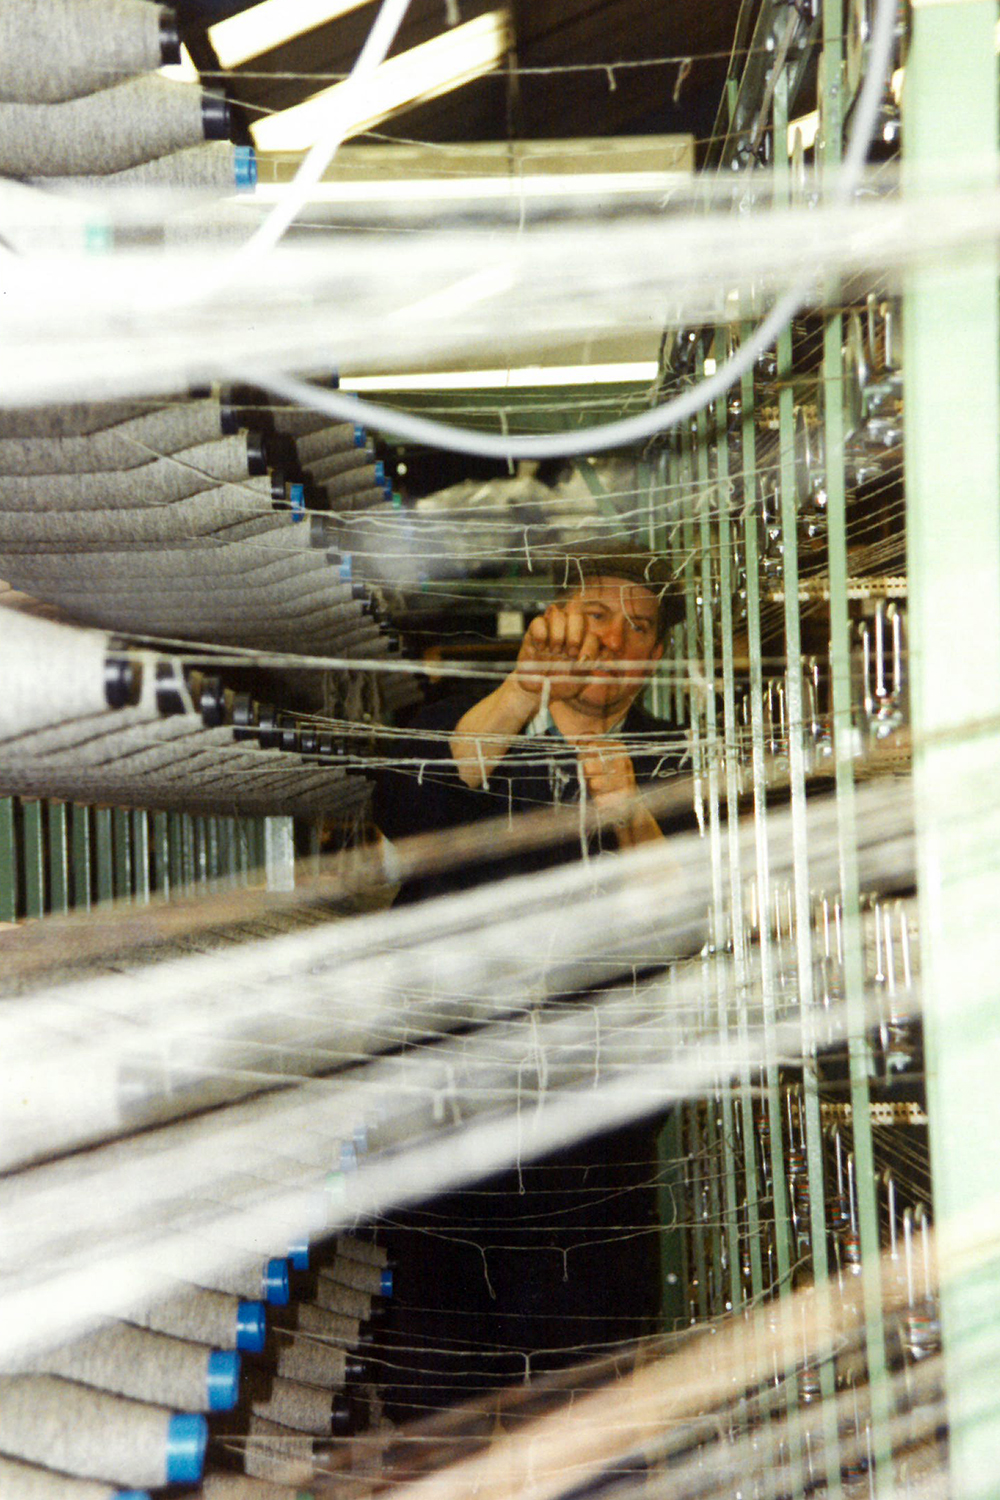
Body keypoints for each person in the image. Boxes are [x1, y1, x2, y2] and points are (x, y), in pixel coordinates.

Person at [372, 547, 685, 1422]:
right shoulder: (468, 725)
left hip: (598, 1149)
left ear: (655, 657)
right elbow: (407, 813)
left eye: (640, 626)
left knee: (589, 1414)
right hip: (448, 1133)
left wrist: (627, 811)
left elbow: (689, 914)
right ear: (553, 623)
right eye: (596, 614)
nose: (615, 638)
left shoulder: (677, 757)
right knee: (439, 1407)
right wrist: (519, 693)